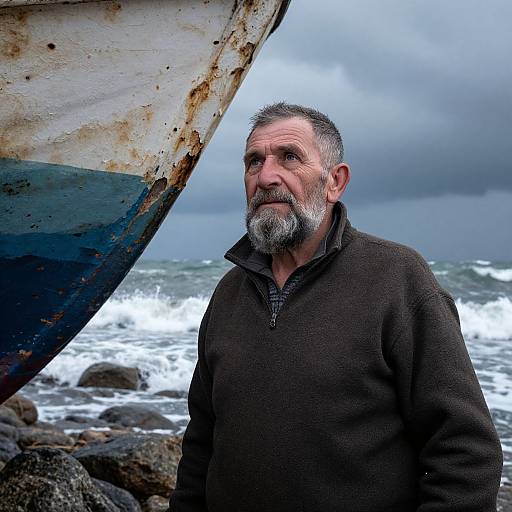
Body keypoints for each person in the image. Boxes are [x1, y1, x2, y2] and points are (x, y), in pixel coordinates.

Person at [169, 103, 502, 512]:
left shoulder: (397, 279)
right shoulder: (230, 292)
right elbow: (202, 440)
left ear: (335, 182)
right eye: (254, 162)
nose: (266, 176)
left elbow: (467, 451)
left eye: (289, 157)